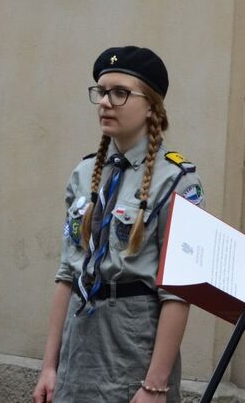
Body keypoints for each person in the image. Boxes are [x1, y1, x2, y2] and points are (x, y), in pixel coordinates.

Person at [32, 46, 202, 403]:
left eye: (120, 93)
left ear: (152, 105)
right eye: (101, 91)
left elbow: (178, 291)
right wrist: (50, 367)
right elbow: (67, 274)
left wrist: (154, 385)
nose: (105, 102)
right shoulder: (84, 174)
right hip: (80, 342)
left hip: (133, 342)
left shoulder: (177, 182)